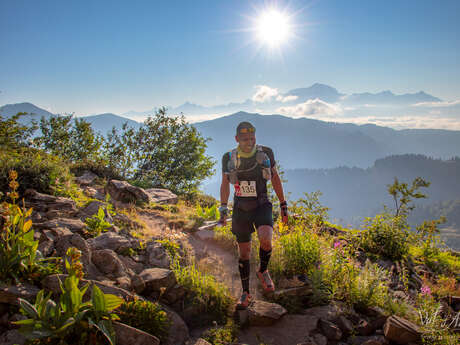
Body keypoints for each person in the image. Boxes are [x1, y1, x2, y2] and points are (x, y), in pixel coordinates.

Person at [219, 121, 288, 309]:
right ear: (236, 139)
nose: (249, 142)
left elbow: (274, 177)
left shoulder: (266, 153)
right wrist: (223, 208)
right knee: (244, 253)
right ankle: (245, 292)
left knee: (266, 239)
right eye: (244, 139)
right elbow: (225, 184)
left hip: (261, 203)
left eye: (252, 138)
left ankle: (263, 270)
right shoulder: (228, 157)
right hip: (241, 207)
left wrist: (283, 205)